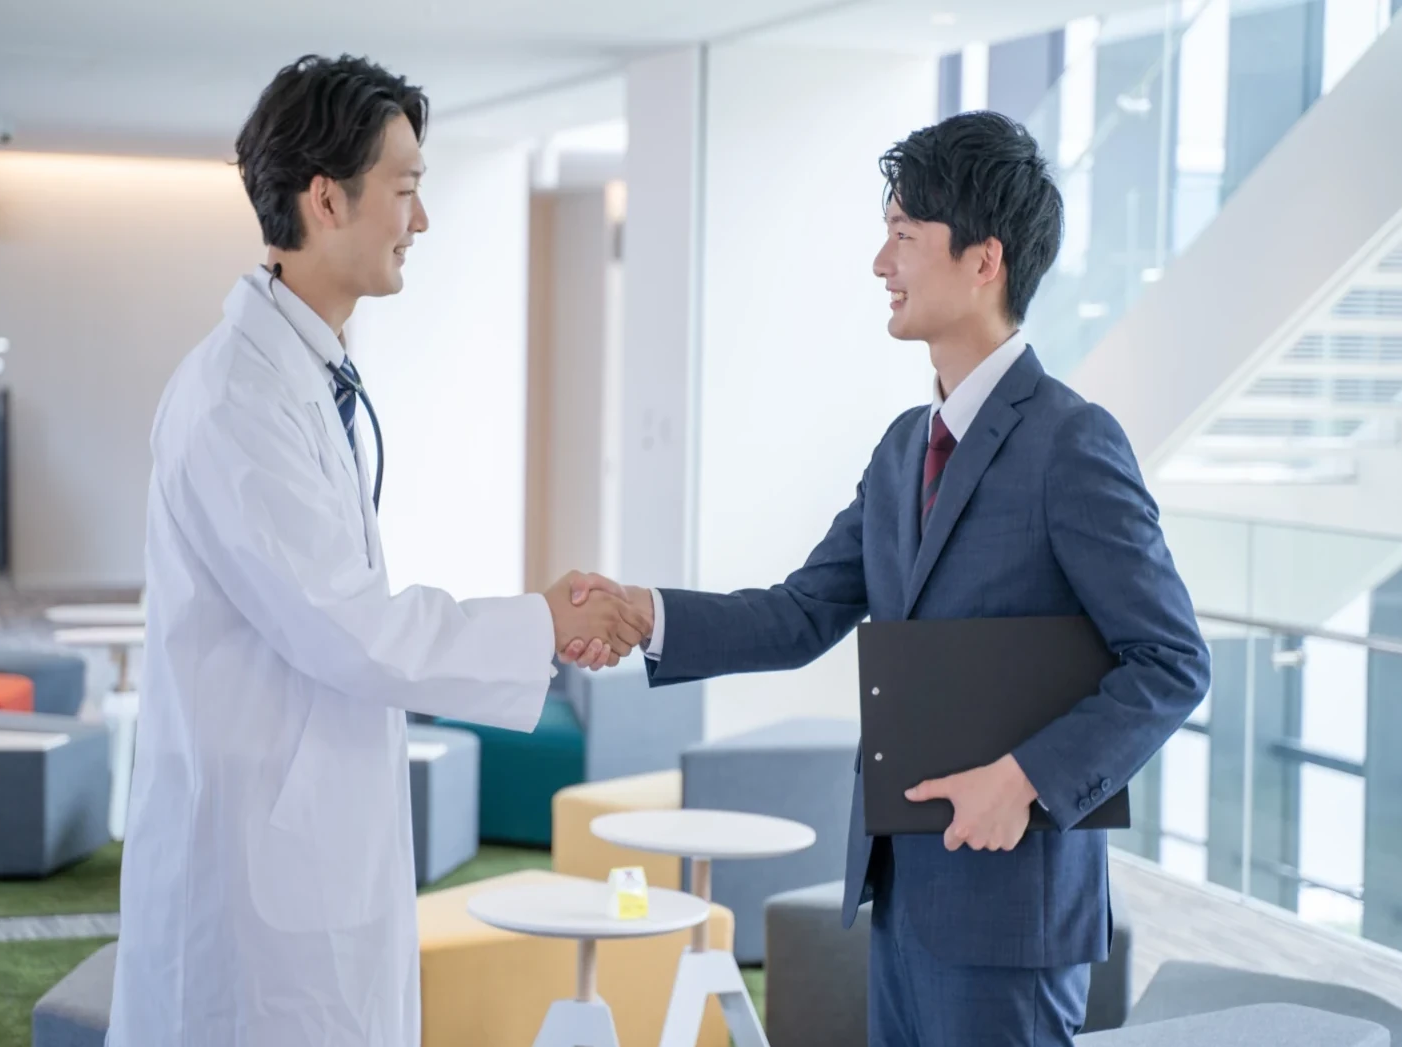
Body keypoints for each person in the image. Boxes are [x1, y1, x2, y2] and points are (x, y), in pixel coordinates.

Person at [567, 111, 1211, 1046]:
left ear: (984, 260)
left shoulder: (1071, 443)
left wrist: (1026, 779)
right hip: (901, 888)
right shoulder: (906, 446)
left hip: (1008, 913)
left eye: (903, 236)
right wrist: (644, 613)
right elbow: (801, 612)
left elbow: (1169, 659)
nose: (881, 263)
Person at [107, 54, 648, 1047]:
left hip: (307, 824)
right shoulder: (238, 398)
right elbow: (346, 626)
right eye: (405, 191)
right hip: (251, 868)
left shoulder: (302, 372)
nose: (421, 221)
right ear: (325, 198)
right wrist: (540, 621)